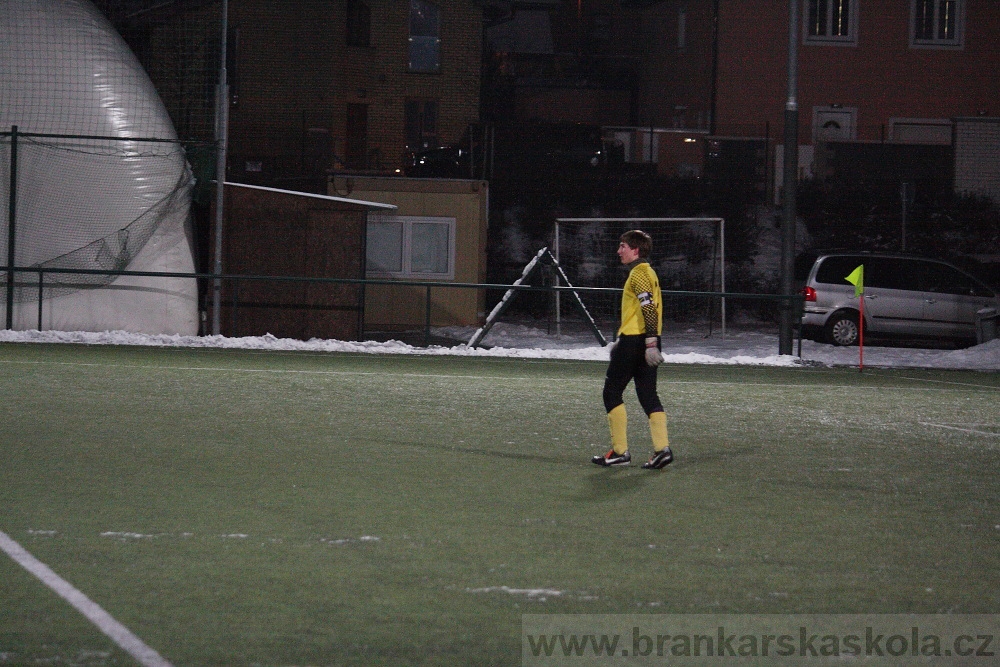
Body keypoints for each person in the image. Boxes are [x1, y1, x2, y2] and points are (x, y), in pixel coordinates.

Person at [591, 230, 674, 469]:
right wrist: (652, 341)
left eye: (623, 246)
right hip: (645, 339)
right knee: (648, 394)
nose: (619, 251)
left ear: (635, 250)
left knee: (611, 393)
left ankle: (619, 452)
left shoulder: (638, 274)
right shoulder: (649, 272)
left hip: (636, 341)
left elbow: (649, 310)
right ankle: (662, 449)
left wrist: (645, 343)